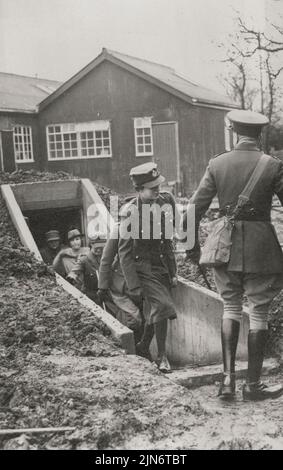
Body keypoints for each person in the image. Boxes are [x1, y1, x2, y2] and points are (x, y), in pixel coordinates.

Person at [183, 109, 283, 401]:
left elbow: (192, 211)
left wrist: (192, 248)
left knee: (231, 307)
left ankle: (227, 382)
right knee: (260, 311)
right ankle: (252, 386)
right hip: (262, 251)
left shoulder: (217, 163)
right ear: (260, 134)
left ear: (234, 132)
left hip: (224, 250)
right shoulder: (273, 165)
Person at [118, 162, 178, 372]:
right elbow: (124, 251)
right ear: (139, 190)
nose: (157, 191)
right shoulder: (129, 212)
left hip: (161, 264)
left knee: (158, 310)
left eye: (158, 186)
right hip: (143, 268)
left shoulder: (166, 200)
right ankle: (162, 357)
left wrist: (173, 271)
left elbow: (168, 239)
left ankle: (143, 345)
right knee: (162, 306)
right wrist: (133, 285)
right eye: (152, 189)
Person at [97, 223, 143, 340]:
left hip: (143, 282)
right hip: (121, 285)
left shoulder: (149, 225)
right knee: (133, 318)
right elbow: (106, 258)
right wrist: (102, 286)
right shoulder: (119, 228)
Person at [67, 233, 106, 304]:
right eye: (96, 248)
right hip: (90, 295)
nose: (99, 250)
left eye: (101, 248)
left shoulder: (106, 257)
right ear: (91, 245)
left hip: (106, 294)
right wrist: (72, 277)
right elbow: (75, 272)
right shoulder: (84, 259)